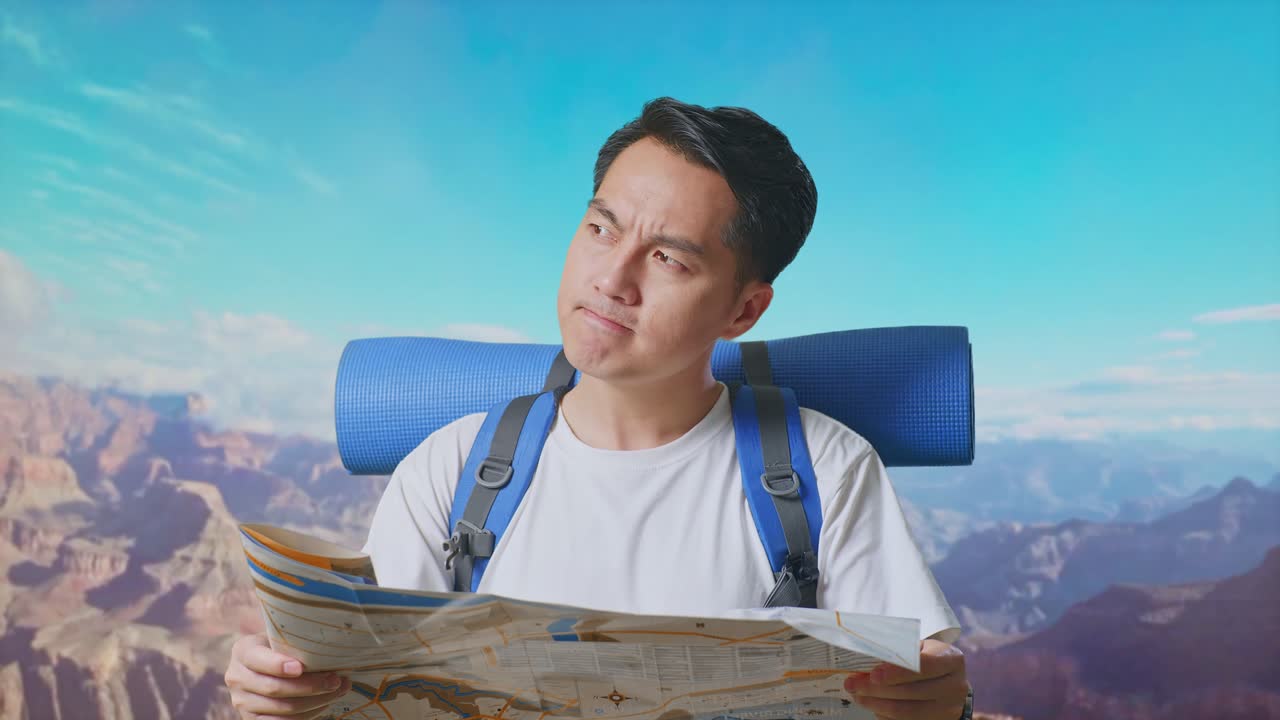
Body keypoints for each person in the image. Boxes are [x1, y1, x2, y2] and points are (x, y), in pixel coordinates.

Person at [225, 97, 971, 720]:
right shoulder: (452, 470)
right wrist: (286, 694)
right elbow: (367, 696)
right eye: (601, 228)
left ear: (744, 310)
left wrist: (941, 704)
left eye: (669, 258)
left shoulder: (824, 472)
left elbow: (919, 687)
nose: (611, 277)